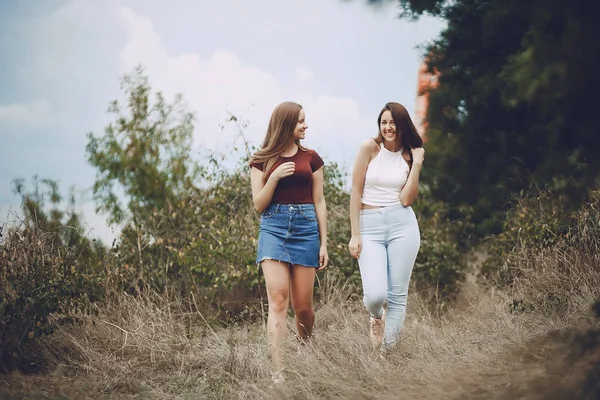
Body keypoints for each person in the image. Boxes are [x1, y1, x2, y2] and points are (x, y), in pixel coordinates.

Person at [249, 101, 328, 383]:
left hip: (307, 229)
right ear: (286, 126)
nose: (305, 126)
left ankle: (306, 352)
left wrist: (323, 243)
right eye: (300, 122)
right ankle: (279, 371)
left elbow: (319, 201)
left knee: (303, 306)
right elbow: (258, 204)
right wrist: (274, 178)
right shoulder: (261, 159)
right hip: (273, 227)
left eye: (305, 121)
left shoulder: (312, 158)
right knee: (279, 298)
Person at [348, 102, 425, 354]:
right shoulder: (370, 148)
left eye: (392, 122)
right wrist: (355, 234)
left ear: (401, 124)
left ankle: (387, 355)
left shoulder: (408, 155)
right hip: (369, 226)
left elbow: (406, 199)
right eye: (384, 122)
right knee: (375, 295)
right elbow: (356, 191)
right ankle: (376, 316)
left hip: (402, 224)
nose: (388, 127)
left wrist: (417, 164)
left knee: (398, 295)